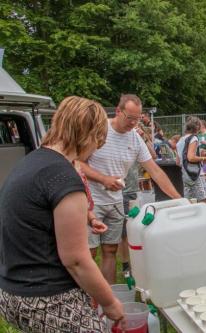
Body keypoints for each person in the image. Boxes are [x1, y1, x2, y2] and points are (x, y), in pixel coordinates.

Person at [0, 96, 125, 332]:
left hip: (11, 290)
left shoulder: (33, 162)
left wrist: (87, 217)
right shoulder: (63, 176)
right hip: (45, 298)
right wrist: (110, 303)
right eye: (98, 140)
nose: (96, 148)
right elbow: (76, 260)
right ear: (88, 134)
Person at [80, 94, 181, 284]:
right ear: (118, 111)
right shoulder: (98, 130)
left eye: (137, 119)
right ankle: (88, 301)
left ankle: (108, 295)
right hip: (91, 201)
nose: (134, 123)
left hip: (116, 200)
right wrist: (103, 179)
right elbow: (78, 163)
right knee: (89, 253)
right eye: (130, 118)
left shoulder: (134, 138)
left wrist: (178, 199)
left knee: (110, 250)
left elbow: (155, 171)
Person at [176, 116, 206, 203]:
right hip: (196, 175)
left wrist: (199, 154)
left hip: (185, 175)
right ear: (197, 126)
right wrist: (204, 158)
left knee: (188, 202)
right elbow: (191, 157)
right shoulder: (194, 138)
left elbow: (178, 162)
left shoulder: (180, 140)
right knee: (203, 201)